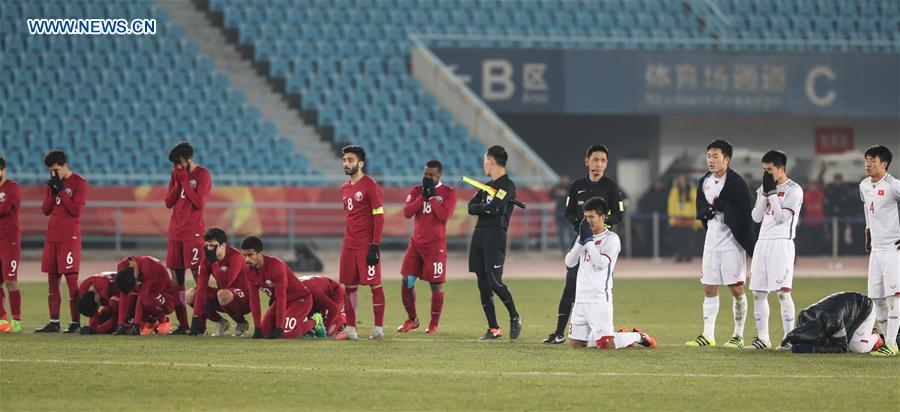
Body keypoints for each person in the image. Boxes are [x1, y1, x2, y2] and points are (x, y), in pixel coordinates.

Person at [544, 144, 626, 345]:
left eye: (603, 160)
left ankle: (605, 331)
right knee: (570, 285)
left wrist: (600, 225)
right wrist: (581, 228)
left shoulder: (612, 187)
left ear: (606, 164)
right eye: (595, 159)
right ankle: (559, 333)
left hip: (603, 242)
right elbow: (568, 212)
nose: (599, 164)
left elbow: (619, 214)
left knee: (598, 285)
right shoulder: (576, 185)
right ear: (586, 161)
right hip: (581, 241)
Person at [686, 139, 755, 348]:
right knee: (709, 288)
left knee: (736, 289)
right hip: (711, 244)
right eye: (708, 156)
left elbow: (745, 212)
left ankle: (738, 334)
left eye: (715, 156)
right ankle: (708, 335)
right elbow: (701, 207)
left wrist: (726, 209)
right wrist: (704, 213)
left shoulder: (736, 183)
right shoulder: (704, 182)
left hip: (732, 244)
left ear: (727, 159)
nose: (711, 160)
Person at [566, 197, 656, 350]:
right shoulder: (584, 237)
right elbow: (570, 262)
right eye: (585, 217)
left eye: (591, 217)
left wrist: (588, 241)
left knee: (607, 346)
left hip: (599, 299)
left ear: (602, 217)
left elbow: (600, 263)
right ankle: (615, 334)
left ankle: (638, 336)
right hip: (581, 298)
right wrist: (581, 241)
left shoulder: (611, 239)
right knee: (577, 345)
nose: (587, 221)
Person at [746, 150, 803, 350]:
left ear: (781, 169)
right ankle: (763, 338)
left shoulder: (794, 190)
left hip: (781, 243)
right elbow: (755, 216)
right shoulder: (765, 187)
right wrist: (765, 192)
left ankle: (789, 339)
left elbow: (781, 218)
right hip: (762, 242)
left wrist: (771, 194)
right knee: (758, 292)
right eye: (764, 170)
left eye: (769, 170)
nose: (766, 174)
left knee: (782, 293)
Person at [398, 160, 457, 334]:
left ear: (439, 175)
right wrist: (423, 197)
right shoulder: (417, 190)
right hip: (416, 244)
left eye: (431, 175)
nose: (427, 177)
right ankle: (412, 319)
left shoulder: (449, 192)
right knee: (406, 280)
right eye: (425, 174)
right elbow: (407, 212)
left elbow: (443, 216)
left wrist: (431, 198)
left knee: (435, 284)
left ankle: (433, 324)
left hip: (435, 246)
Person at [468, 145, 521, 340]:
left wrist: (484, 207)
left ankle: (514, 316)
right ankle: (493, 328)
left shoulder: (507, 185)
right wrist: (485, 207)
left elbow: (496, 208)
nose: (483, 165)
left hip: (496, 234)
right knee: (482, 283)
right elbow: (470, 207)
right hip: (479, 233)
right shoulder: (486, 186)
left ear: (491, 161)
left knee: (494, 281)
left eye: (484, 162)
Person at [335, 145, 386, 340]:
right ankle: (351, 329)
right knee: (349, 286)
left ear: (360, 163)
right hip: (348, 243)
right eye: (345, 160)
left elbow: (379, 217)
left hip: (366, 245)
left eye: (350, 160)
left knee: (375, 285)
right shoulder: (344, 188)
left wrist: (375, 245)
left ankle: (378, 329)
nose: (346, 164)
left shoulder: (370, 185)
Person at [35, 150, 88, 334]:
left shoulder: (79, 183)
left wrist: (62, 193)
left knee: (72, 280)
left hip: (69, 237)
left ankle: (75, 323)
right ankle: (54, 321)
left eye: (56, 170)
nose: (53, 173)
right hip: (53, 236)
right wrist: (52, 190)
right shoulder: (53, 184)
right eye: (50, 171)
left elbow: (75, 211)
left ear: (65, 166)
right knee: (52, 280)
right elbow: (45, 210)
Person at [164, 141, 212, 335]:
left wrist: (184, 181)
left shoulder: (203, 175)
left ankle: (201, 323)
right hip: (175, 232)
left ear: (188, 159)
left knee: (198, 276)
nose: (176, 165)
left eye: (179, 162)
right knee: (177, 279)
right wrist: (178, 181)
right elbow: (168, 202)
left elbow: (199, 203)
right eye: (174, 163)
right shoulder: (177, 173)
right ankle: (183, 324)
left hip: (193, 233)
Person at [859, 145, 900, 357]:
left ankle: (891, 344)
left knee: (894, 298)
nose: (868, 164)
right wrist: (868, 229)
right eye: (866, 160)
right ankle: (887, 342)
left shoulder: (894, 186)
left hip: (894, 249)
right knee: (877, 299)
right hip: (876, 250)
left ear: (884, 164)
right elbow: (868, 209)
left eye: (872, 160)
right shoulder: (864, 185)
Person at [241, 236, 319, 339]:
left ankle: (316, 321)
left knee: (286, 334)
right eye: (245, 255)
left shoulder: (276, 266)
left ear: (260, 253)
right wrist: (257, 328)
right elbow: (254, 300)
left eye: (250, 255)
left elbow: (282, 297)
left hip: (300, 300)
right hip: (280, 302)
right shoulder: (248, 270)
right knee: (264, 332)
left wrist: (279, 329)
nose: (247, 260)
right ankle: (293, 323)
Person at [186, 228, 251, 337]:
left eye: (212, 246)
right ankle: (220, 322)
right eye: (206, 246)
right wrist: (195, 320)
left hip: (245, 300)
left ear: (223, 245)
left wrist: (214, 263)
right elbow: (201, 288)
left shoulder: (236, 256)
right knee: (191, 295)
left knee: (223, 293)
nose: (208, 249)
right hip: (224, 297)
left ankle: (241, 323)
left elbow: (226, 284)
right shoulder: (207, 259)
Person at [782, 292, 886, 354]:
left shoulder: (832, 321)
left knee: (857, 347)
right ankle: (861, 333)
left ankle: (877, 336)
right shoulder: (803, 318)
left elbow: (842, 347)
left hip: (864, 307)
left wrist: (812, 349)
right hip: (845, 310)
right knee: (840, 339)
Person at [113, 255, 183, 335]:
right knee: (129, 298)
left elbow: (141, 297)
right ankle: (149, 322)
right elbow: (123, 295)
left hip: (166, 299)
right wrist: (120, 325)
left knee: (147, 301)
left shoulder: (148, 266)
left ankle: (163, 320)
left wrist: (136, 325)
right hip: (149, 296)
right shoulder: (122, 266)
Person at [0, 157, 23, 333]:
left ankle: (16, 320)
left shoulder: (12, 187)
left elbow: (4, 209)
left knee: (10, 280)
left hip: (10, 240)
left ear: (3, 170)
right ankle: (2, 320)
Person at [668, 174, 698, 263]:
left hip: (689, 218)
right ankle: (680, 255)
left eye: (683, 181)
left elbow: (696, 204)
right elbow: (671, 204)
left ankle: (688, 255)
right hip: (678, 218)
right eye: (680, 181)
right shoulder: (675, 191)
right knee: (679, 239)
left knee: (689, 239)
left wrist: (696, 217)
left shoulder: (692, 190)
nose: (682, 183)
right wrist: (671, 217)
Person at [549, 175, 572, 254]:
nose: (563, 179)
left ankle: (572, 249)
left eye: (565, 178)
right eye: (562, 178)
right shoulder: (557, 187)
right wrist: (557, 192)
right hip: (559, 212)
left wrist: (566, 194)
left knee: (571, 232)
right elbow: (550, 195)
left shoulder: (571, 187)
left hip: (570, 212)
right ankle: (564, 249)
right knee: (561, 232)